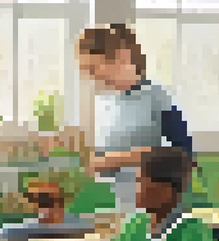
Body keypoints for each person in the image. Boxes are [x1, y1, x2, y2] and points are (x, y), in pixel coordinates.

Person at [77, 24, 193, 214]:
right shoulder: (103, 103)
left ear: (121, 57)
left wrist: (116, 159)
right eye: (85, 70)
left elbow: (182, 154)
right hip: (118, 209)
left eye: (93, 68)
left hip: (157, 211)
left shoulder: (157, 97)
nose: (90, 77)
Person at [112, 147, 219, 241]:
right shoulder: (132, 227)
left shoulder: (191, 230)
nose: (137, 191)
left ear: (166, 191)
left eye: (142, 183)